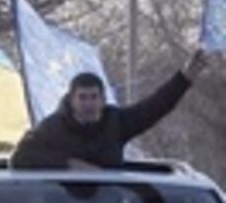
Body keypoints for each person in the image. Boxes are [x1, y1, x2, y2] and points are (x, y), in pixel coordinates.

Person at [11, 50, 212, 170]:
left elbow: (155, 107)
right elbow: (19, 159)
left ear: (102, 100)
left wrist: (184, 78)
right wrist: (70, 165)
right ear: (71, 100)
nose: (88, 104)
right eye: (82, 98)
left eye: (93, 97)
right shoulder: (52, 128)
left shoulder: (116, 123)